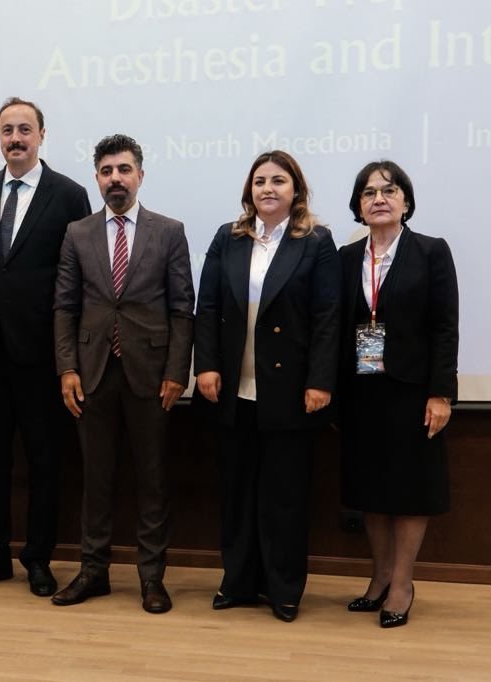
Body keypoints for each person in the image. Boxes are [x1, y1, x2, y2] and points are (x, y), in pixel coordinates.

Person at [0, 97, 91, 597]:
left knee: (44, 461)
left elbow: (80, 278)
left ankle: (38, 559)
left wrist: (71, 351)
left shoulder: (69, 194)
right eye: (7, 130)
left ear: (41, 135)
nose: (15, 138)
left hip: (43, 352)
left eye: (24, 129)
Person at [193, 150, 340, 622]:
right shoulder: (229, 237)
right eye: (260, 181)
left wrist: (320, 380)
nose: (268, 189)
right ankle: (237, 582)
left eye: (278, 180)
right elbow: (207, 307)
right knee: (237, 493)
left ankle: (284, 589)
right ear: (249, 190)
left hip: (291, 391)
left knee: (284, 497)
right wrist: (206, 366)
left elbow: (327, 317)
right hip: (233, 390)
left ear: (296, 190)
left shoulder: (315, 241)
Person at [52, 134, 194, 614]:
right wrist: (67, 368)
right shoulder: (77, 233)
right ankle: (93, 571)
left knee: (152, 479)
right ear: (97, 178)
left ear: (140, 175)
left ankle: (151, 577)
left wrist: (177, 371)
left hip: (152, 376)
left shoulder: (168, 231)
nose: (116, 178)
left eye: (124, 169)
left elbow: (182, 308)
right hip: (92, 373)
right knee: (96, 479)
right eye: (107, 171)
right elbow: (65, 306)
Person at [338, 160, 458, 628]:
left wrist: (441, 394)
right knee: (370, 490)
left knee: (409, 492)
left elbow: (445, 327)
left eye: (389, 191)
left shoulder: (430, 251)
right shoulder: (346, 257)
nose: (379, 199)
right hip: (362, 391)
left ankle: (403, 584)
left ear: (406, 201)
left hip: (413, 393)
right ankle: (380, 576)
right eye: (369, 193)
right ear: (359, 205)